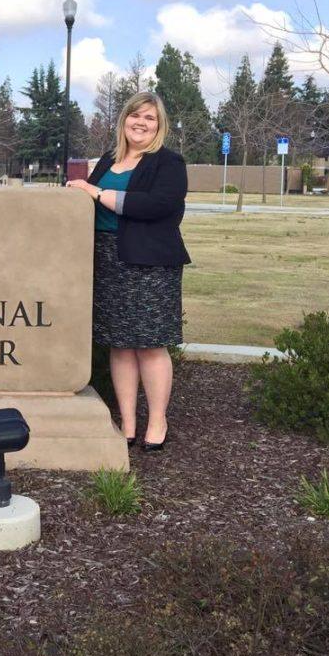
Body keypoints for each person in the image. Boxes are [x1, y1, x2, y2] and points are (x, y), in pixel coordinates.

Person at [66, 91, 189, 451]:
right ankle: (129, 422)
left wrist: (97, 192)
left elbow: (157, 204)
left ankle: (158, 422)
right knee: (120, 346)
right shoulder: (107, 161)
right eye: (135, 116)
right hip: (108, 261)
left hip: (149, 265)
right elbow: (87, 201)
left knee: (150, 345)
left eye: (150, 118)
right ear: (123, 121)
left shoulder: (168, 163)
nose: (141, 123)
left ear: (159, 125)